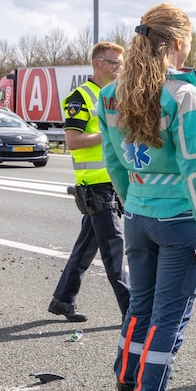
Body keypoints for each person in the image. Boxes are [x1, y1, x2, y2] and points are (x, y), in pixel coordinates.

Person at [97, 3, 196, 391]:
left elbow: (113, 159)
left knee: (139, 313)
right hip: (180, 222)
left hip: (139, 217)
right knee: (169, 321)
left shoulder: (111, 93)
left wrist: (135, 205)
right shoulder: (182, 95)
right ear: (176, 42)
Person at [49, 41, 131, 326]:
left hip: (114, 183)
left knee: (86, 246)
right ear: (98, 64)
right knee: (115, 248)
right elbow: (72, 141)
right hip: (96, 186)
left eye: (122, 63)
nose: (120, 68)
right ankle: (132, 309)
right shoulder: (81, 97)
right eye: (115, 63)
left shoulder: (114, 95)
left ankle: (62, 300)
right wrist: (109, 131)